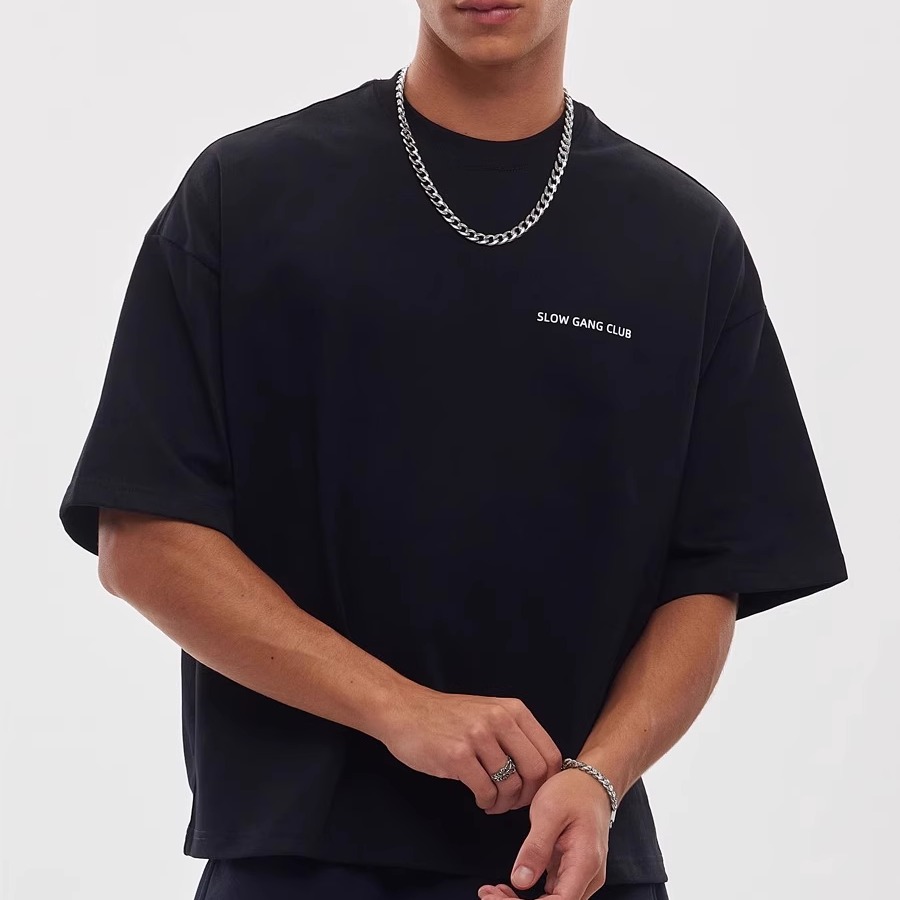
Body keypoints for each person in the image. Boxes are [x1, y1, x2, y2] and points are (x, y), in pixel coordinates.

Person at [58, 1, 848, 898]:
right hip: (299, 864)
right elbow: (144, 540)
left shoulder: (683, 239)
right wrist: (401, 710)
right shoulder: (244, 196)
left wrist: (601, 776)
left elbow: (709, 576)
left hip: (570, 867)